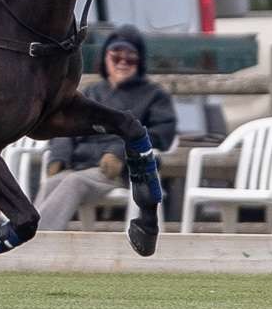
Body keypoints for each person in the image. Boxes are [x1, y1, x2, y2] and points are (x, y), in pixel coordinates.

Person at [34, 28, 177, 230]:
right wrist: (59, 157)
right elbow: (64, 126)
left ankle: (38, 241)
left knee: (73, 182)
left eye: (130, 58)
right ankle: (30, 235)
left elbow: (161, 135)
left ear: (140, 61)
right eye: (116, 56)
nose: (122, 62)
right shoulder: (91, 92)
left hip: (120, 173)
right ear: (105, 58)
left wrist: (120, 152)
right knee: (52, 182)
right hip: (80, 165)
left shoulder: (154, 96)